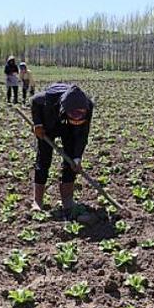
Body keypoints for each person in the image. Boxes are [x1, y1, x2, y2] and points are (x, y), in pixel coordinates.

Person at [30, 83, 93, 213]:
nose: (76, 119)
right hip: (48, 124)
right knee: (44, 158)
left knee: (70, 161)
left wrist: (77, 158)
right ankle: (37, 200)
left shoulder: (88, 106)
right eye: (73, 117)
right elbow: (34, 101)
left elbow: (82, 136)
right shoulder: (47, 98)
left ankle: (67, 200)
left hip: (70, 131)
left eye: (79, 117)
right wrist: (38, 124)